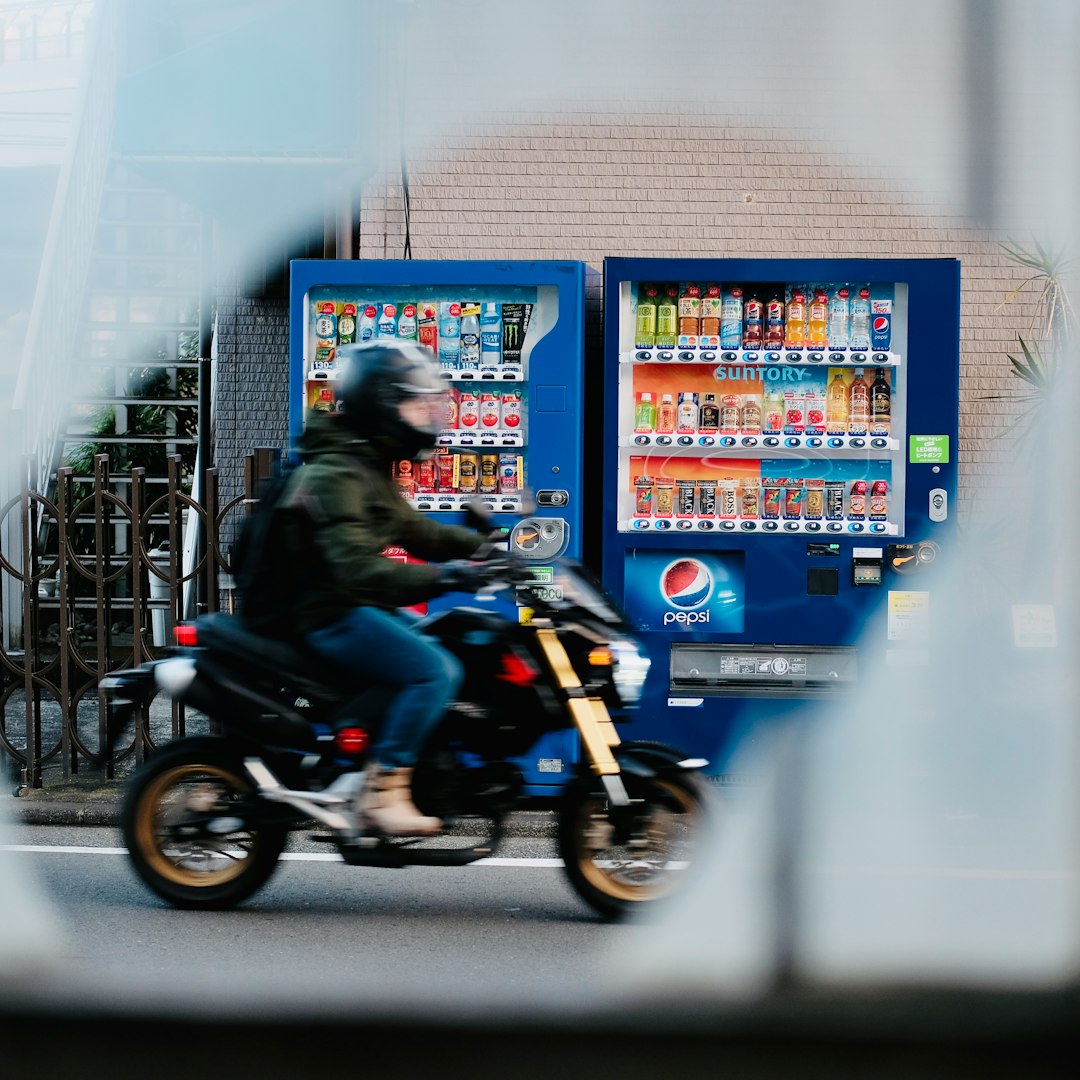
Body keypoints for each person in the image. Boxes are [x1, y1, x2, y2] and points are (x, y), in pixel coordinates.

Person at [269, 341, 506, 837]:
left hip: (348, 604)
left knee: (442, 639)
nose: (423, 414)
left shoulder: (362, 463)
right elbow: (357, 571)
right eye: (412, 402)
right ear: (379, 403)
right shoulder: (337, 471)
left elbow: (417, 530)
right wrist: (448, 577)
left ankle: (394, 759)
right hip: (328, 613)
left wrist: (486, 548)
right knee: (435, 670)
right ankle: (383, 792)